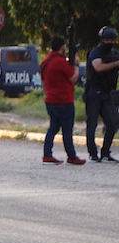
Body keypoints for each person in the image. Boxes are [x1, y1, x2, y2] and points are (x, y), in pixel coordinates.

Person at [40, 37, 86, 165]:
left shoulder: (46, 61)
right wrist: (76, 65)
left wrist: (48, 94)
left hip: (50, 99)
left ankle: (47, 154)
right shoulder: (60, 62)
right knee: (67, 130)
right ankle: (71, 156)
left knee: (53, 127)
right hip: (64, 101)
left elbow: (43, 82)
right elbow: (73, 78)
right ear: (62, 47)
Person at [82, 26, 119, 162]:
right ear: (102, 39)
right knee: (92, 124)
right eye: (107, 39)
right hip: (93, 92)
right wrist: (116, 64)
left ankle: (105, 152)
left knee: (113, 122)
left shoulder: (114, 53)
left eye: (111, 39)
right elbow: (98, 67)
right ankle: (93, 153)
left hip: (107, 93)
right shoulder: (95, 52)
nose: (109, 42)